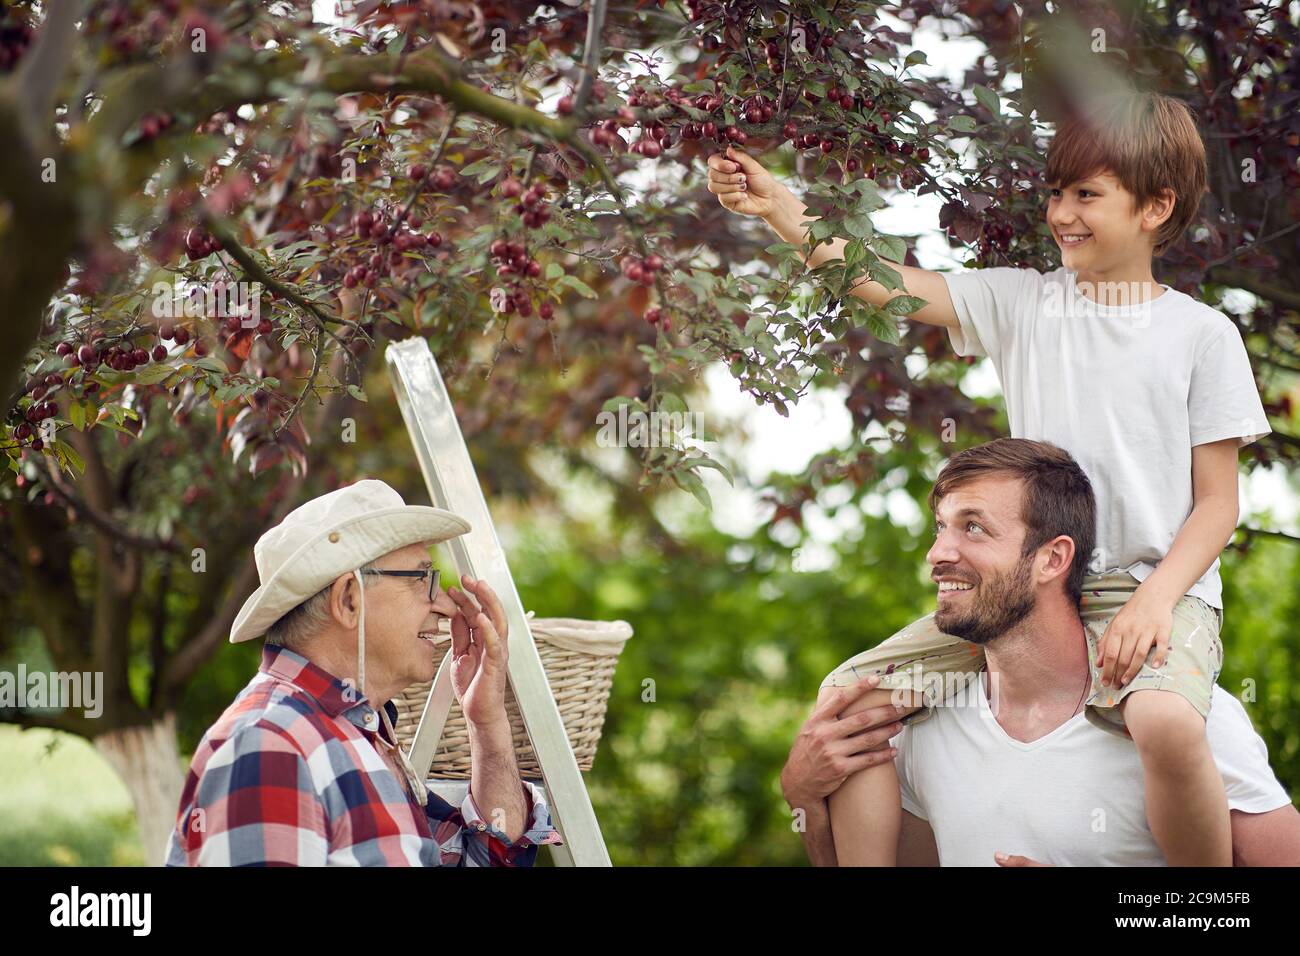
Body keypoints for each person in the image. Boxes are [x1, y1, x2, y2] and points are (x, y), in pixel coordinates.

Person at [710, 89, 1271, 866]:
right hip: (1031, 582)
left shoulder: (1203, 336)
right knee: (851, 706)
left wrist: (1155, 601)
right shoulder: (1023, 302)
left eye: (1087, 194)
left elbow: (1218, 506)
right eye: (1055, 193)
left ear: (1155, 207)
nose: (1062, 213)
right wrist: (780, 209)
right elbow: (885, 282)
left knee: (1168, 724)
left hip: (1151, 589)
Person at [777, 439, 1300, 866]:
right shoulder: (917, 731)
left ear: (1052, 559)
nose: (938, 554)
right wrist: (805, 800)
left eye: (973, 527)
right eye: (941, 527)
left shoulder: (1182, 717)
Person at [165, 478, 563, 865]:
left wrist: (486, 721)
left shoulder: (355, 739)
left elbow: (486, 859)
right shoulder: (270, 745)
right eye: (424, 578)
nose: (444, 604)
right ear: (349, 600)